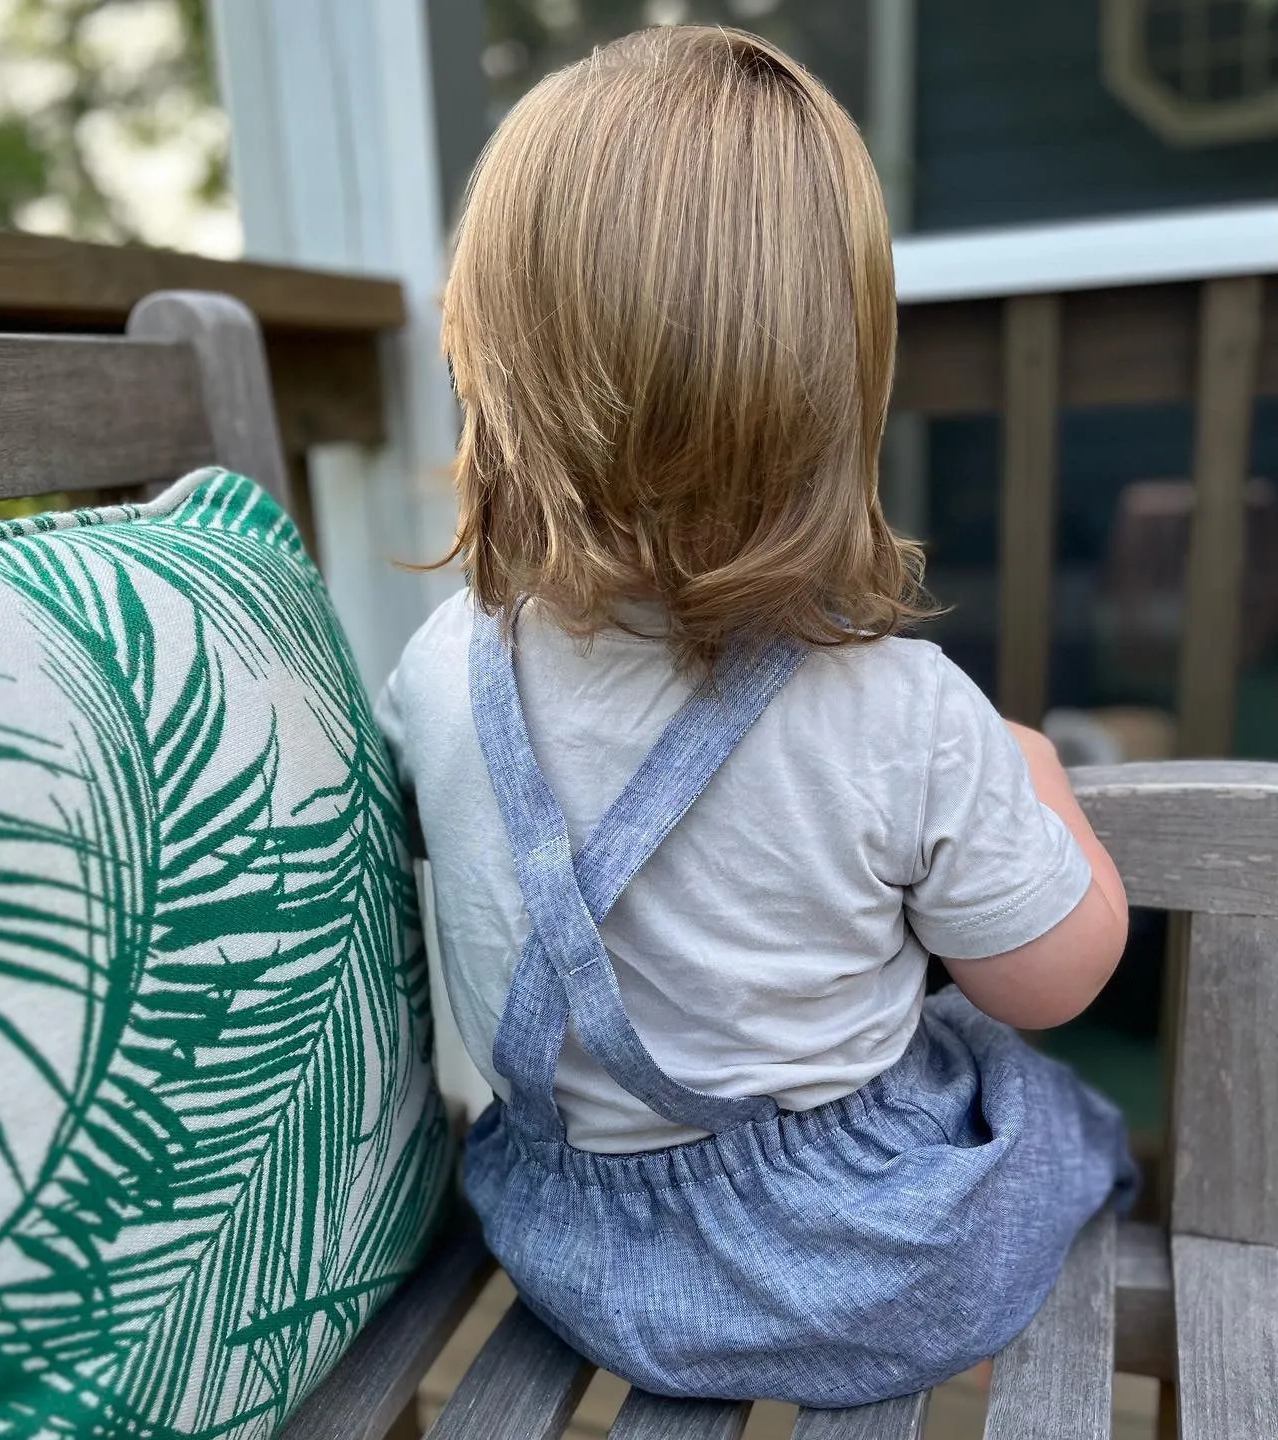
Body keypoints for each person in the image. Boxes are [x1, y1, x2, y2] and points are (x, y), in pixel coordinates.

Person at [375, 24, 1135, 1408]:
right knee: (1036, 1103)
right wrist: (1041, 781)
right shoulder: (903, 710)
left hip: (577, 1250)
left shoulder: (440, 668)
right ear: (839, 380)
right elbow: (1054, 980)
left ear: (486, 352)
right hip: (865, 1262)